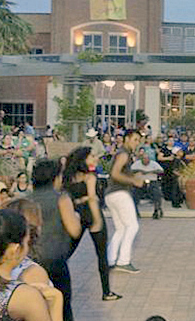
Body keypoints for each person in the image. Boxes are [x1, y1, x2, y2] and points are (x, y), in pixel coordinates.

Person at [30, 159, 95, 321]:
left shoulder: (26, 200)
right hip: (55, 261)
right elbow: (75, 230)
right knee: (62, 309)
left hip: (31, 264)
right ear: (55, 178)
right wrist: (77, 216)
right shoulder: (61, 199)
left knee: (33, 310)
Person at [63, 147, 120, 302]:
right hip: (91, 215)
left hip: (76, 217)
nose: (95, 159)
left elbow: (66, 198)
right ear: (83, 159)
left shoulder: (68, 177)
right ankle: (106, 292)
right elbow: (93, 200)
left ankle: (54, 284)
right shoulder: (90, 177)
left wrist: (79, 201)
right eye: (92, 156)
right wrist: (97, 221)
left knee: (66, 252)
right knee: (102, 255)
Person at [107, 129, 147, 273]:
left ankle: (110, 259)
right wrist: (133, 180)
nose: (137, 143)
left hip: (111, 194)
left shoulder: (122, 153)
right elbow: (115, 173)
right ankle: (123, 261)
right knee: (132, 226)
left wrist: (133, 175)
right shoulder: (123, 153)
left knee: (121, 228)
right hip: (120, 193)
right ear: (127, 139)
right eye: (135, 139)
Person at [131, 148, 165, 219]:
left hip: (152, 181)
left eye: (147, 159)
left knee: (157, 193)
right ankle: (135, 212)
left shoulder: (154, 164)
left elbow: (161, 171)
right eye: (143, 159)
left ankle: (157, 210)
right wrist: (139, 170)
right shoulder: (137, 164)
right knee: (134, 194)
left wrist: (152, 171)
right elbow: (131, 170)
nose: (145, 160)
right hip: (140, 182)